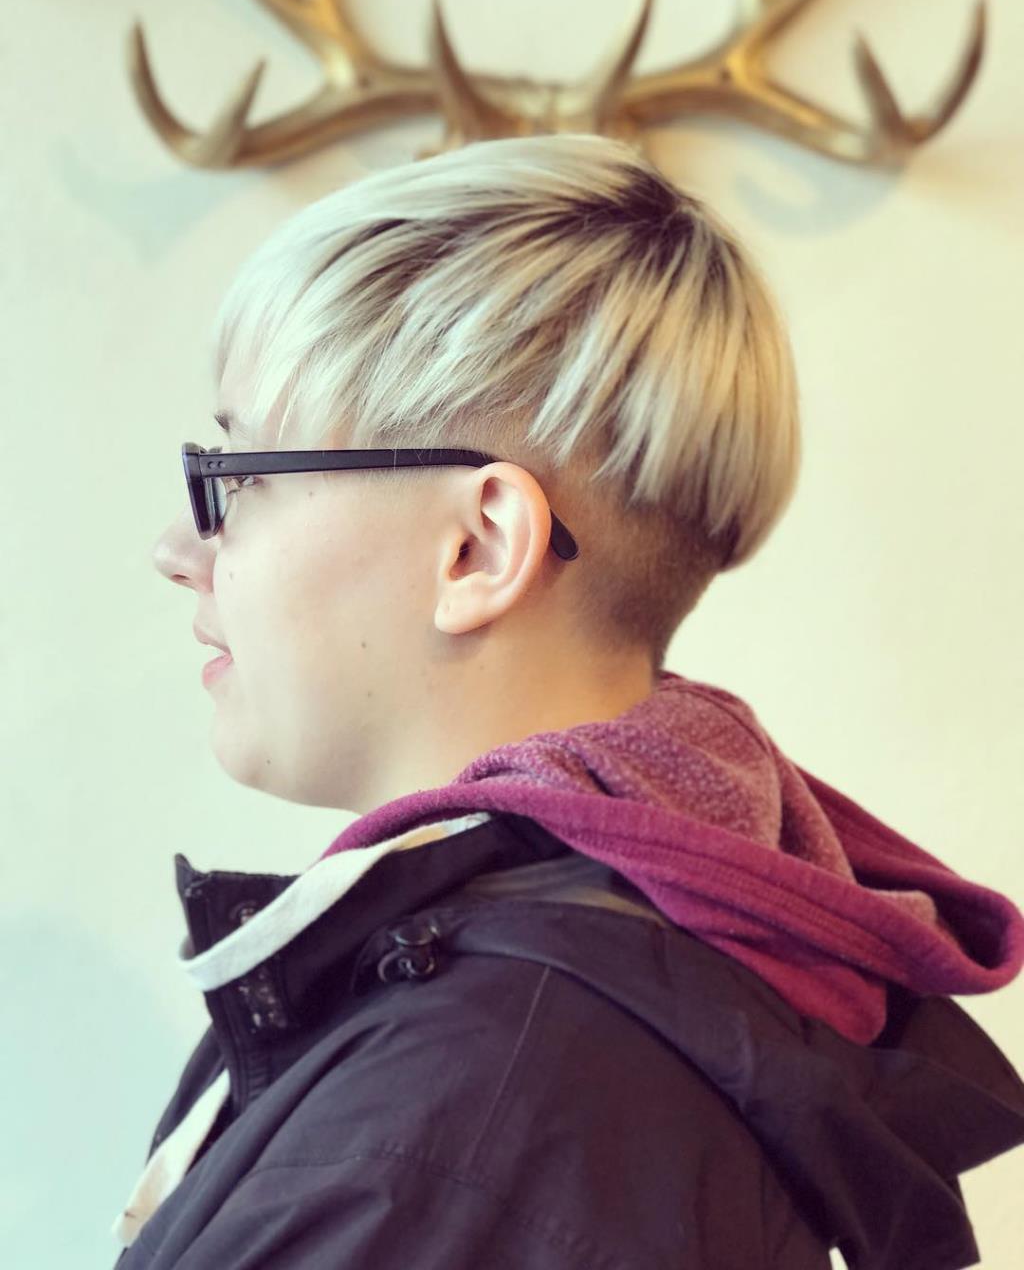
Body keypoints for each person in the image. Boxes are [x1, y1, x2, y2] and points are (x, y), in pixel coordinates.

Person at [130, 133, 1024, 1268]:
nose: (179, 549)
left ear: (477, 547)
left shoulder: (459, 1126)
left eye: (240, 475)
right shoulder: (580, 1011)